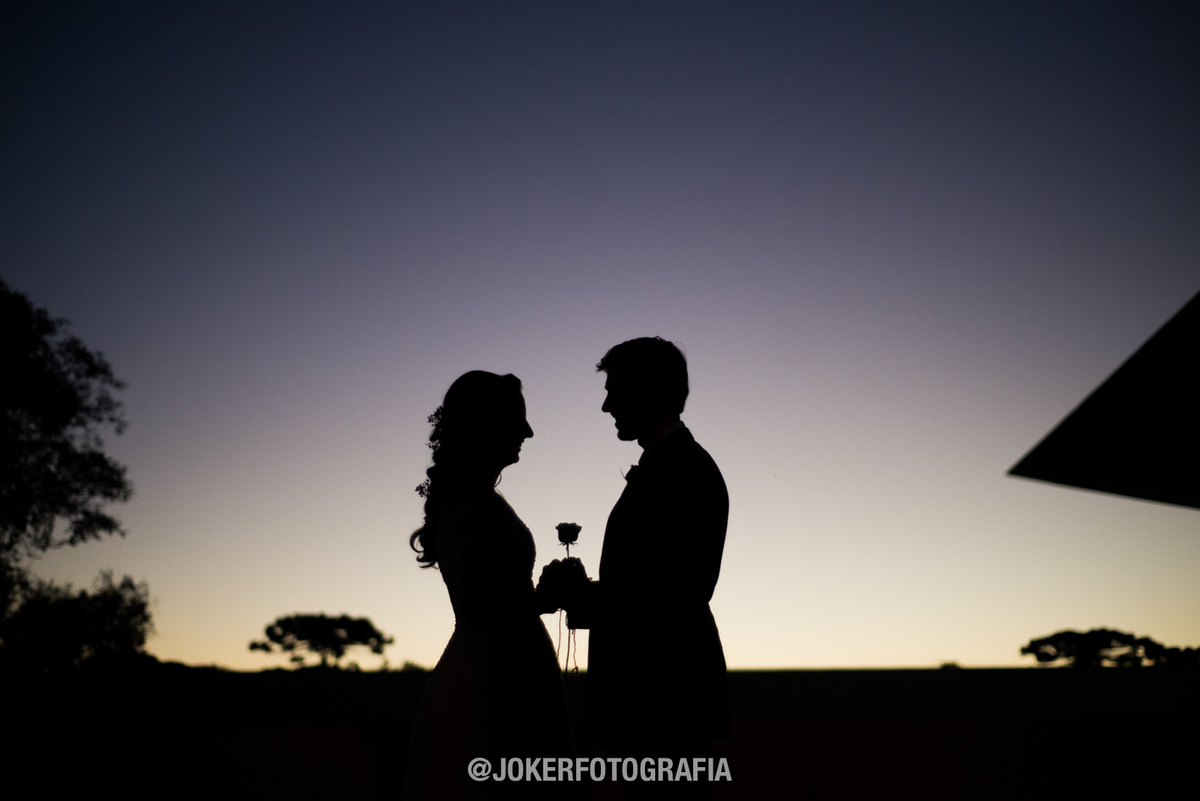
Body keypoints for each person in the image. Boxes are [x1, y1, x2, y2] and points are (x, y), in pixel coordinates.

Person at [539, 337, 731, 800]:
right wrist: (585, 591)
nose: (607, 406)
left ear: (654, 391)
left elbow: (678, 593)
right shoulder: (667, 465)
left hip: (665, 699)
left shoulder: (687, 471)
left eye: (617, 390)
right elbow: (648, 582)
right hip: (652, 700)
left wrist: (583, 598)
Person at [403, 371, 576, 800]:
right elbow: (482, 605)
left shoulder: (473, 496)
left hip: (508, 664)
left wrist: (540, 597)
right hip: (493, 678)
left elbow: (494, 595)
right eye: (518, 419)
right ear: (486, 424)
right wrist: (545, 597)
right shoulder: (467, 501)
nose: (528, 432)